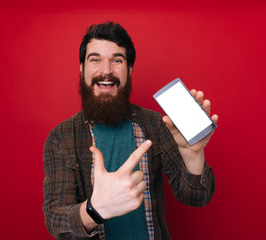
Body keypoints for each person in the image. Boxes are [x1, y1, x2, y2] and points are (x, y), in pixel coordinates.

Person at [43, 21, 218, 240]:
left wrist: (193, 156)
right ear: (81, 68)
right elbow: (55, 220)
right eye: (95, 59)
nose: (106, 71)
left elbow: (196, 197)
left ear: (130, 69)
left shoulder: (155, 125)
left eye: (117, 60)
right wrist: (95, 209)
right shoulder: (61, 138)